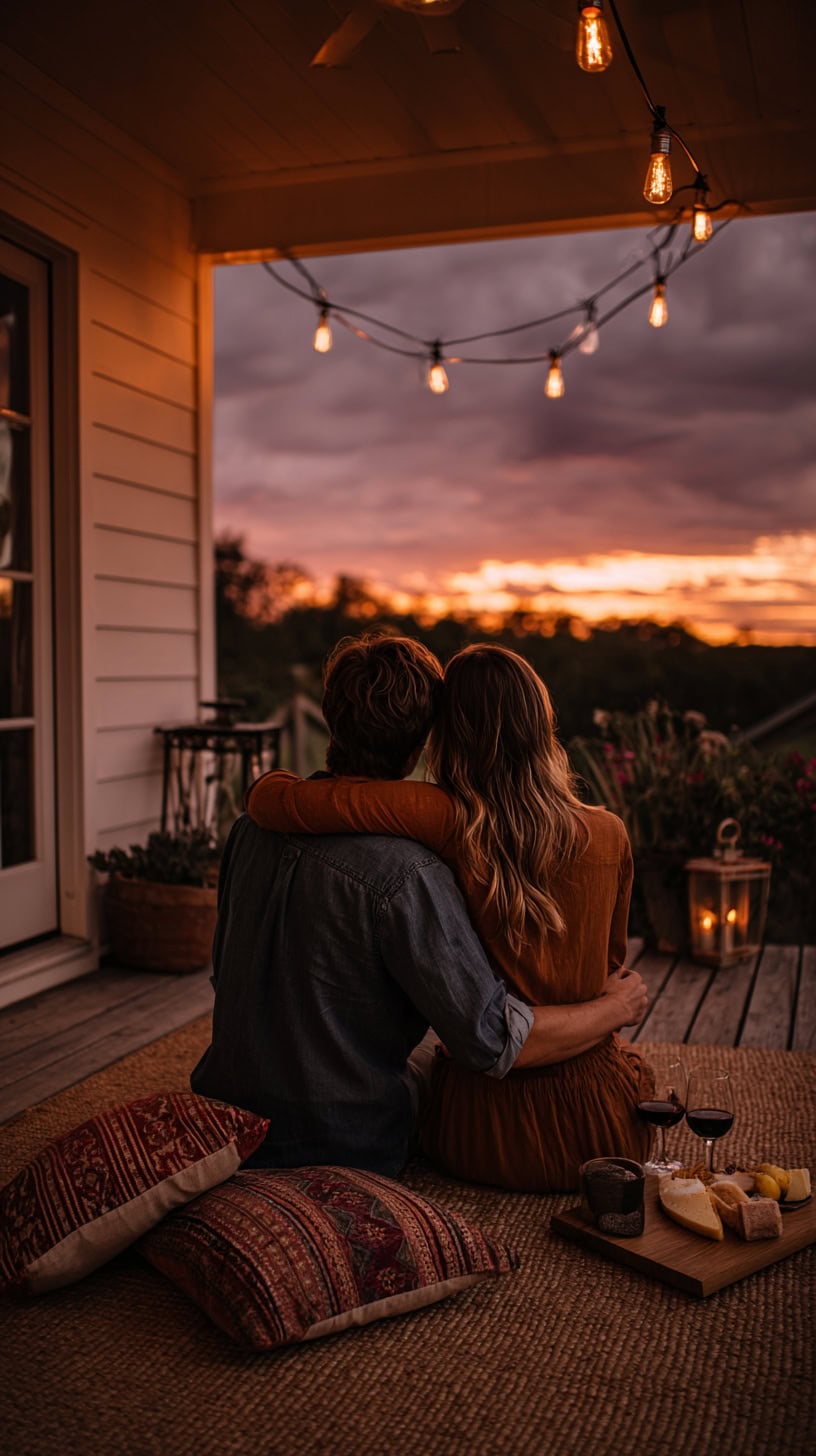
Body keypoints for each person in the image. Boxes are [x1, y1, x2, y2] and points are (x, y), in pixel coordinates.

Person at [194, 633, 648, 1180]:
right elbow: (490, 1038)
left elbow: (225, 976)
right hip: (346, 1144)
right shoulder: (409, 871)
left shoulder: (249, 831)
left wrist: (266, 790)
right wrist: (617, 1008)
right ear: (422, 742)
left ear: (330, 715)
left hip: (222, 1119)